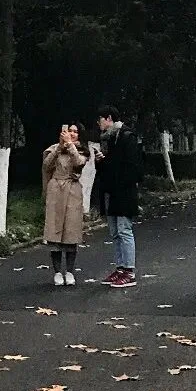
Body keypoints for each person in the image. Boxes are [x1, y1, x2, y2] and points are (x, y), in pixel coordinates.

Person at [95, 104, 143, 288]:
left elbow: (132, 167)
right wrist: (102, 161)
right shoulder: (108, 138)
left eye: (100, 119)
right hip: (111, 192)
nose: (99, 123)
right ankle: (120, 267)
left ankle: (129, 271)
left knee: (124, 230)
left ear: (109, 118)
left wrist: (109, 164)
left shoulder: (126, 136)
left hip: (124, 192)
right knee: (115, 232)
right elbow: (109, 166)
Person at [42, 123, 87, 287]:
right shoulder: (54, 149)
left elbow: (79, 163)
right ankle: (57, 272)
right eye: (69, 131)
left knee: (71, 231)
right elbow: (46, 165)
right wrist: (59, 148)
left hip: (72, 191)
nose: (72, 134)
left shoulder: (81, 150)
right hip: (55, 190)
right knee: (54, 231)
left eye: (76, 132)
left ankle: (69, 271)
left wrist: (70, 146)